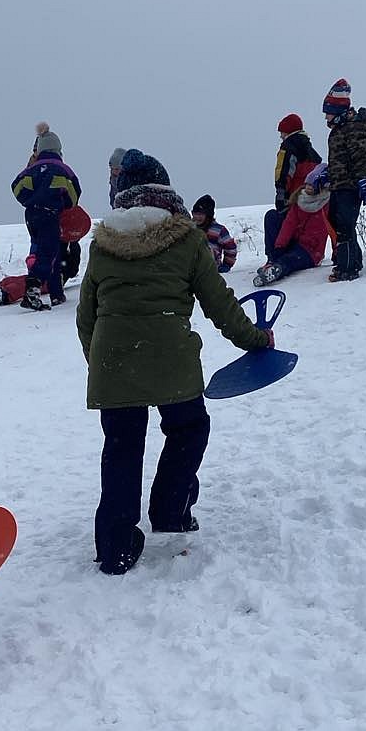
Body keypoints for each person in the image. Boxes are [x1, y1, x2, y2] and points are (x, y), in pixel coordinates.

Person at [76, 148, 273, 575]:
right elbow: (220, 305)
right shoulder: (186, 239)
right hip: (171, 361)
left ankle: (115, 545)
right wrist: (256, 339)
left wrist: (101, 361)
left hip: (113, 363)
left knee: (122, 446)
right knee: (188, 427)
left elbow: (86, 315)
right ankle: (171, 509)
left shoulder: (103, 243)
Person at [11, 123, 83, 310]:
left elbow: (16, 187)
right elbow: (74, 193)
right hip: (50, 215)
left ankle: (56, 294)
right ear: (58, 149)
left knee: (44, 251)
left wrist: (29, 200)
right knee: (50, 253)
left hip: (31, 216)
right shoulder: (63, 169)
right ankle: (33, 289)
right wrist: (64, 205)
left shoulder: (31, 170)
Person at [0, 206, 91, 306]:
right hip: (43, 274)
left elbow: (72, 269)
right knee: (9, 280)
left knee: (20, 285)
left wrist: (62, 272)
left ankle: (3, 295)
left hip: (52, 279)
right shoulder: (55, 240)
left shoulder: (70, 245)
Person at [321, 79, 366, 282]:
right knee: (338, 222)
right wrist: (328, 174)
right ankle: (352, 261)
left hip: (350, 186)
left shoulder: (354, 127)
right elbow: (339, 158)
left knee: (345, 225)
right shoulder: (339, 130)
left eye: (328, 112)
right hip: (338, 184)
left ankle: (348, 267)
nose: (326, 117)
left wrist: (362, 180)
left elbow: (360, 156)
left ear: (337, 110)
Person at [261, 113, 321, 268]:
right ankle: (298, 252)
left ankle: (274, 258)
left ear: (288, 132)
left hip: (292, 198)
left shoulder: (287, 148)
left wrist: (281, 196)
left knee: (274, 218)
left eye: (282, 132)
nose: (281, 136)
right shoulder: (312, 152)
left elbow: (283, 174)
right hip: (310, 200)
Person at [253, 177, 331, 285]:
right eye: (307, 183)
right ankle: (272, 261)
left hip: (310, 251)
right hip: (295, 243)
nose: (308, 187)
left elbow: (334, 231)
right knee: (272, 216)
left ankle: (277, 269)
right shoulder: (300, 200)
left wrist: (337, 255)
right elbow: (289, 225)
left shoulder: (327, 204)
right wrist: (279, 247)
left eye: (312, 185)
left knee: (290, 260)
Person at [191, 195, 238, 272]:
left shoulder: (218, 230)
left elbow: (231, 249)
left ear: (208, 215)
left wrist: (226, 265)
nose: (197, 217)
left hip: (211, 269)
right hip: (189, 269)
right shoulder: (189, 229)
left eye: (201, 214)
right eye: (195, 213)